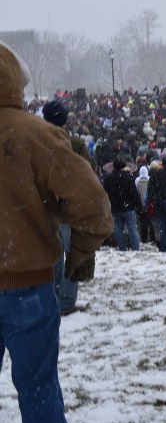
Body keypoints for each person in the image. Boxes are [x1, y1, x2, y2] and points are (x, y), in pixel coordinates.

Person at [0, 41, 113, 423]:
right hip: (28, 284)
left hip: (27, 280)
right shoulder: (38, 135)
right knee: (39, 392)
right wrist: (81, 252)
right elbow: (92, 204)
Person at [41, 100, 97, 316]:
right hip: (71, 209)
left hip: (46, 210)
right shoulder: (75, 145)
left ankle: (53, 299)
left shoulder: (36, 143)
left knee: (54, 257)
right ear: (65, 121)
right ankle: (65, 302)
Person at [103, 158, 142, 251]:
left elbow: (105, 193)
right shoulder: (128, 177)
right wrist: (138, 204)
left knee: (117, 228)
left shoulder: (108, 178)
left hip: (115, 208)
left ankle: (122, 248)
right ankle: (135, 248)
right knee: (132, 228)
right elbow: (134, 193)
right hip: (128, 207)